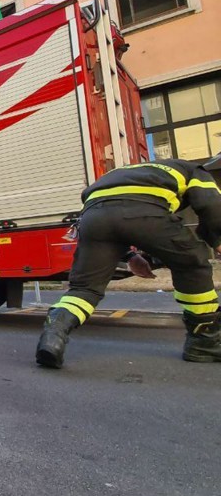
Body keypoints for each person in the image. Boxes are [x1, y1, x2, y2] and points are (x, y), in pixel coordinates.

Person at [36, 156, 221, 368]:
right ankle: (203, 342)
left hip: (93, 216)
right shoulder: (195, 170)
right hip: (144, 211)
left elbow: (115, 213)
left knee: (84, 289)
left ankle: (53, 335)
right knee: (192, 264)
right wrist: (217, 239)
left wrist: (130, 257)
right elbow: (212, 206)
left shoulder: (127, 172)